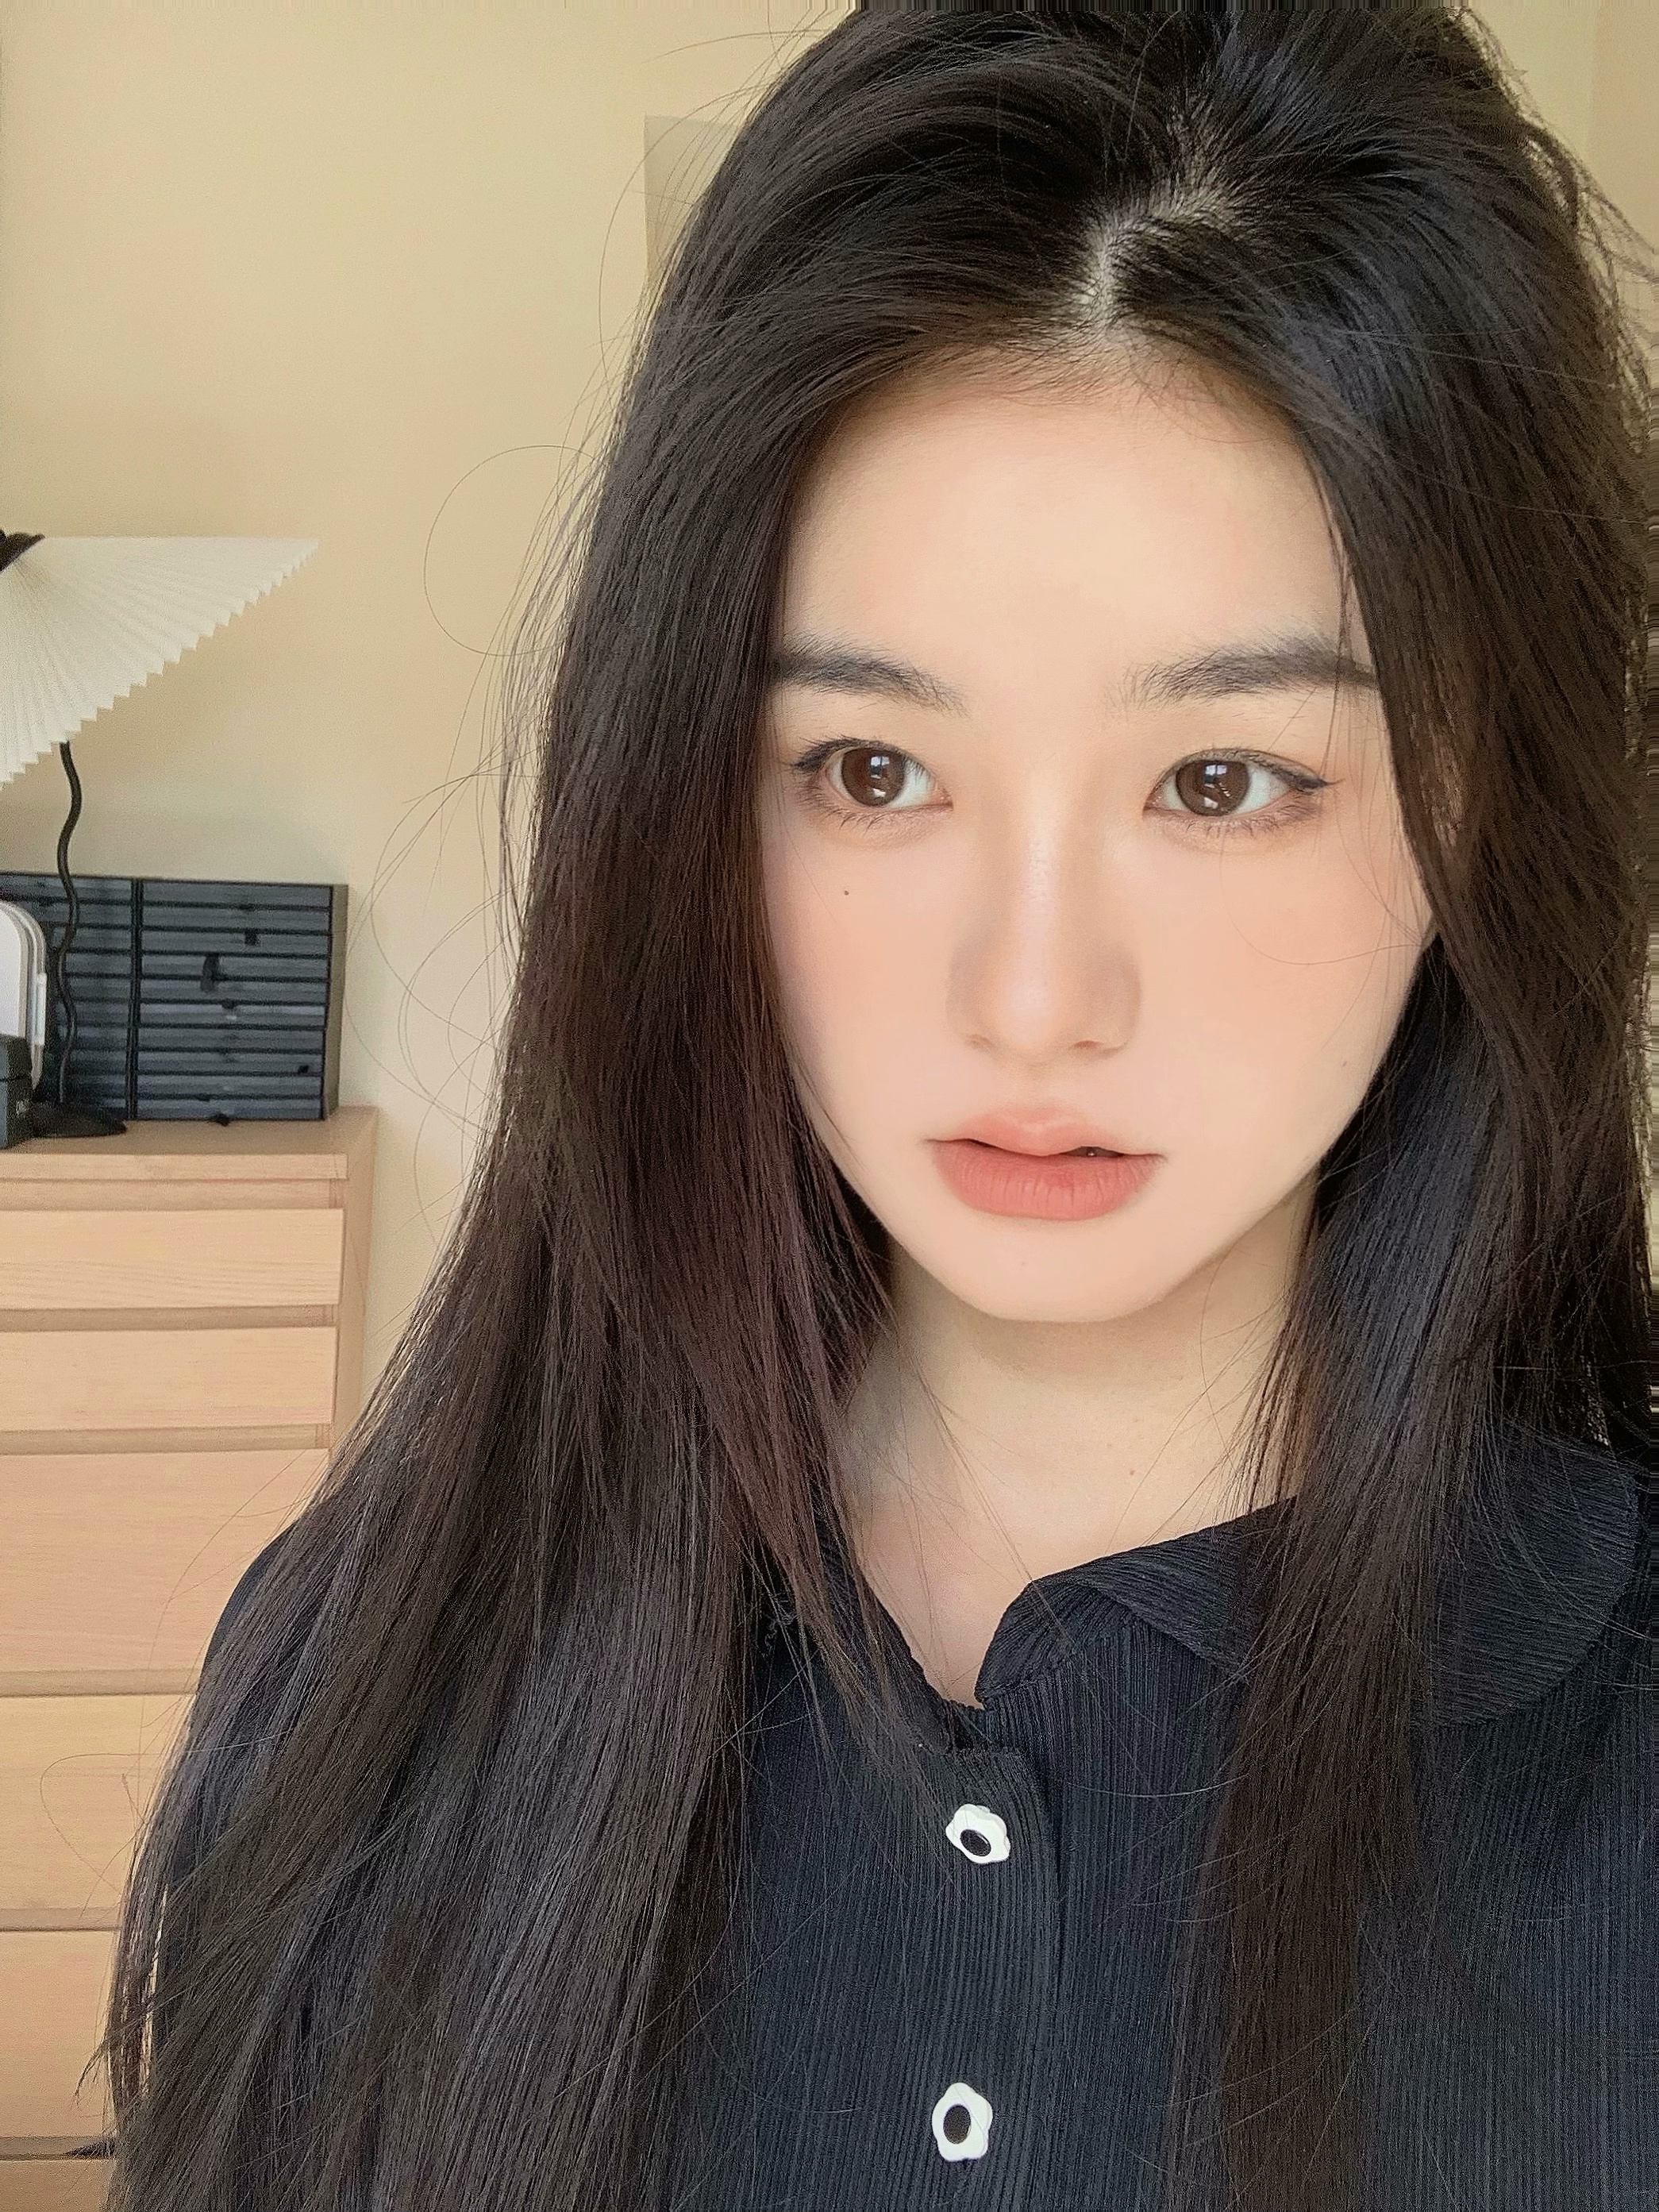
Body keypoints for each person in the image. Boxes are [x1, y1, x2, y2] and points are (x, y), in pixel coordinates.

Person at [99, 7, 1654, 2211]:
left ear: (1473, 806)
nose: (1032, 998)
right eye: (873, 769)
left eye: (1223, 780)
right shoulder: (371, 1675)